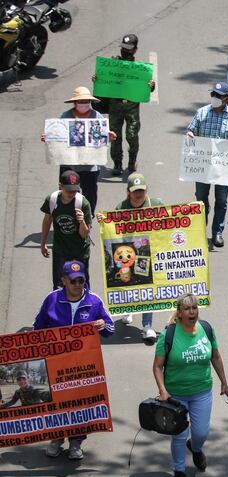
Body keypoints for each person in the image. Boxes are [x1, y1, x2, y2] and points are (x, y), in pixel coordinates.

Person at [33, 260, 115, 460]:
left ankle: (76, 441)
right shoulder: (51, 300)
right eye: (73, 281)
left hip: (84, 366)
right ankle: (57, 438)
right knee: (57, 402)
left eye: (81, 280)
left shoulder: (94, 301)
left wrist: (103, 324)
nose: (78, 284)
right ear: (63, 280)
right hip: (55, 363)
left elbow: (111, 329)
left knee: (80, 403)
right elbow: (37, 328)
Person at [153, 292, 228, 477]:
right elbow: (157, 366)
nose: (192, 312)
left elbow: (216, 356)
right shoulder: (168, 334)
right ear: (179, 313)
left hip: (201, 391)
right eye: (187, 309)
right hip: (175, 395)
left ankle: (196, 448)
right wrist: (162, 390)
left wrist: (224, 382)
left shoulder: (206, 329)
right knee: (179, 435)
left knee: (201, 432)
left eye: (194, 308)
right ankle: (179, 471)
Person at [186, 82, 228, 249]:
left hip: (223, 166)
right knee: (201, 198)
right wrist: (190, 135)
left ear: (226, 99)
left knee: (222, 200)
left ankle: (217, 231)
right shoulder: (202, 112)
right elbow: (191, 130)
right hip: (203, 165)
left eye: (219, 96)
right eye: (214, 95)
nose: (215, 98)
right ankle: (199, 230)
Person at [49, 87, 117, 216]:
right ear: (75, 103)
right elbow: (58, 136)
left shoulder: (97, 116)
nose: (84, 103)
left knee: (90, 193)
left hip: (90, 165)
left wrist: (109, 137)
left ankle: (88, 217)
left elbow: (102, 138)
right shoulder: (65, 116)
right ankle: (69, 217)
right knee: (67, 193)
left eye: (86, 101)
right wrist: (48, 137)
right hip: (69, 165)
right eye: (81, 101)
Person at [113, 173, 163, 344]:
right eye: (135, 191)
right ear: (128, 192)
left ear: (146, 190)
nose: (138, 194)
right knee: (128, 283)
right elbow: (112, 230)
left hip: (149, 253)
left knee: (147, 288)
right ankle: (129, 309)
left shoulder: (156, 204)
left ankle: (147, 325)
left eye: (141, 190)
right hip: (127, 253)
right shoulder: (121, 207)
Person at [104, 34, 155, 175]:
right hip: (115, 105)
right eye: (123, 48)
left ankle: (132, 161)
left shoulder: (140, 69)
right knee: (115, 136)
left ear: (135, 50)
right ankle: (117, 163)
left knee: (131, 135)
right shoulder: (113, 64)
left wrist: (151, 85)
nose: (125, 51)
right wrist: (97, 78)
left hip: (131, 106)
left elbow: (147, 87)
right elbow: (103, 82)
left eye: (128, 49)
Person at [40, 170, 92, 290]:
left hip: (79, 252)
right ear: (60, 186)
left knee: (80, 285)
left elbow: (84, 234)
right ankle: (60, 308)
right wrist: (43, 244)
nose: (72, 193)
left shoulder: (83, 204)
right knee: (59, 285)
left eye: (75, 190)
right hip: (60, 251)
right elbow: (47, 221)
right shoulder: (52, 200)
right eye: (68, 189)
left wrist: (82, 221)